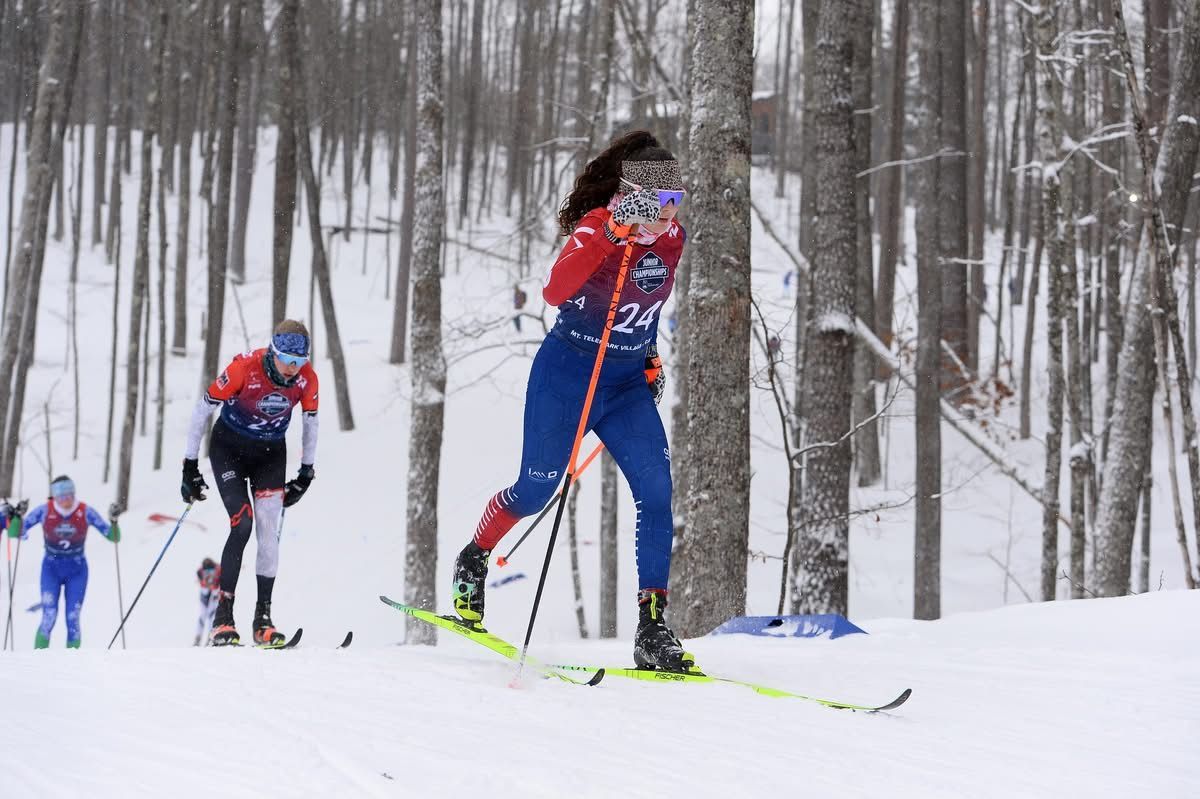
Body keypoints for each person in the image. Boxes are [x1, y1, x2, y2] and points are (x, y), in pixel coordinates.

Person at [451, 130, 694, 671]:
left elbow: (646, 305)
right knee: (536, 489)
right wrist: (611, 232)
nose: (669, 214)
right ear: (631, 196)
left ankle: (652, 627)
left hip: (625, 384)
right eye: (659, 201)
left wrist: (649, 355)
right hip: (568, 374)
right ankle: (474, 557)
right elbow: (555, 292)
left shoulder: (672, 239)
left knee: (657, 494)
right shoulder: (596, 226)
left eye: (676, 199)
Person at [180, 319, 319, 646]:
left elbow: (311, 423)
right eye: (286, 359)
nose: (292, 368)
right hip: (229, 449)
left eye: (299, 361)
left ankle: (263, 619)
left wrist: (306, 473)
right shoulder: (244, 368)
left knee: (268, 533)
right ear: (273, 351)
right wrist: (189, 465)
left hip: (270, 455)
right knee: (242, 523)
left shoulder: (306, 379)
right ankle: (223, 619)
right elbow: (202, 410)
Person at [7, 476, 120, 649]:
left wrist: (114, 521)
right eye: (61, 496)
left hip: (77, 570)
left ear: (74, 493)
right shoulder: (45, 511)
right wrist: (17, 516)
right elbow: (14, 533)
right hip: (51, 569)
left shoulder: (85, 511)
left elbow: (113, 537)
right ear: (54, 496)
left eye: (69, 495)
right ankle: (38, 659)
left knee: (73, 618)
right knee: (49, 616)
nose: (66, 500)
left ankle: (72, 661)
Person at [194, 557, 221, 646]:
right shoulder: (200, 571)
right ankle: (198, 637)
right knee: (203, 615)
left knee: (211, 616)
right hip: (205, 592)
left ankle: (211, 637)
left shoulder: (218, 568)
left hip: (214, 592)